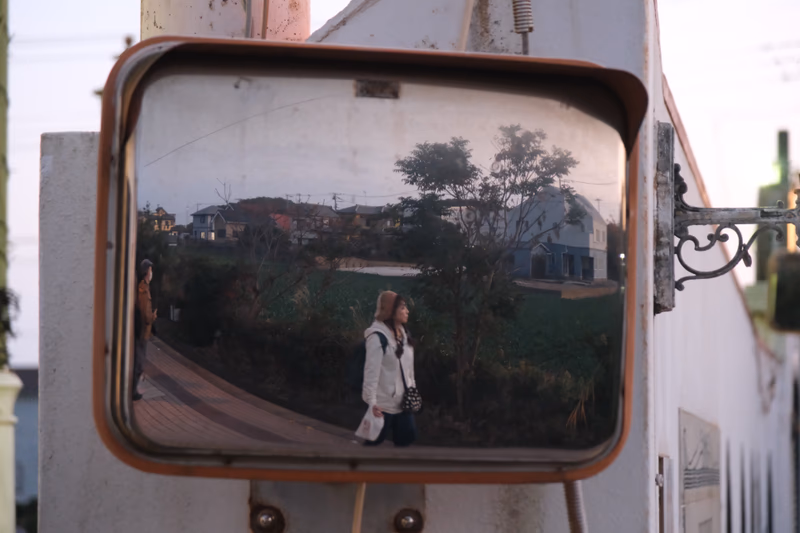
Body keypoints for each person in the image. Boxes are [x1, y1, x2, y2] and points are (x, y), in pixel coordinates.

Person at [362, 290, 417, 447]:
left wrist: (412, 389)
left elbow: (409, 369)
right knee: (373, 442)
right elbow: (371, 372)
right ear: (391, 311)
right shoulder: (377, 337)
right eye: (402, 308)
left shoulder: (404, 334)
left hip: (404, 402)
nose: (407, 311)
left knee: (406, 439)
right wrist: (372, 402)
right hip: (383, 405)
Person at [133, 259, 157, 401]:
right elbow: (145, 315)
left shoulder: (144, 287)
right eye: (150, 271)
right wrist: (153, 316)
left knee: (139, 361)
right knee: (139, 363)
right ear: (146, 272)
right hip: (142, 331)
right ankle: (132, 391)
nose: (151, 273)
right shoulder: (143, 289)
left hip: (142, 332)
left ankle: (132, 389)